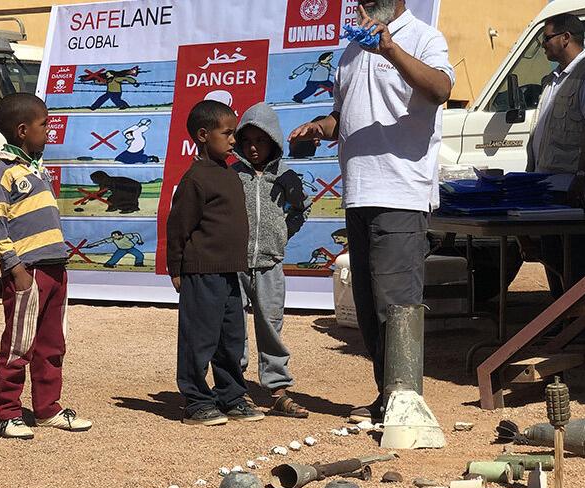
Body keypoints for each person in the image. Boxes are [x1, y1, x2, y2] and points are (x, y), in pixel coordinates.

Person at [289, 0, 453, 423]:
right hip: (358, 192)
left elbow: (440, 90)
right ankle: (390, 397)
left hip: (400, 192)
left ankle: (405, 405)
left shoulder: (423, 37)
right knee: (367, 305)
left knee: (395, 305)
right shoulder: (350, 51)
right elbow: (341, 117)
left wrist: (391, 50)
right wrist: (318, 129)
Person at [0, 92, 93, 439]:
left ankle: (47, 409)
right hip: (27, 272)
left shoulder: (37, 169)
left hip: (54, 268)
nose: (49, 130)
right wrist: (14, 268)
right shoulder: (2, 175)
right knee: (19, 344)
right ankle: (7, 412)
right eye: (44, 124)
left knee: (53, 343)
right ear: (21, 130)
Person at [166, 99, 261, 427]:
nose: (234, 140)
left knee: (231, 338)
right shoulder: (196, 179)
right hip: (201, 272)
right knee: (199, 338)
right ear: (204, 135)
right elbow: (178, 227)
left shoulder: (229, 173)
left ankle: (232, 397)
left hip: (228, 273)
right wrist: (175, 269)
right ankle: (196, 401)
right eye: (228, 133)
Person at [528, 13, 585, 344]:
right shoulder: (553, 81)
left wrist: (581, 174)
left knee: (581, 260)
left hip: (575, 187)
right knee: (554, 258)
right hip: (548, 186)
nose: (543, 46)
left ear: (565, 38)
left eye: (545, 39)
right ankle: (564, 321)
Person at [233, 102, 310, 419]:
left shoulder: (285, 178)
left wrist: (280, 236)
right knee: (233, 328)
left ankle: (277, 391)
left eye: (261, 141)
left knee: (271, 328)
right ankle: (235, 390)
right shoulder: (232, 176)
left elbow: (301, 211)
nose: (253, 147)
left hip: (270, 265)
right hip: (234, 265)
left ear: (274, 142)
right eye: (247, 141)